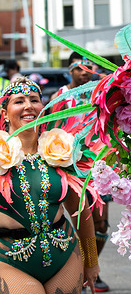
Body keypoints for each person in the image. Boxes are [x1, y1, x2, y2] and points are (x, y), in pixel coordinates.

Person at [0, 77, 99, 293]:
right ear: (5, 113)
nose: (28, 106)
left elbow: (79, 211)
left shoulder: (61, 149)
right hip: (9, 261)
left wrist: (91, 260)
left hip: (65, 256)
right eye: (19, 101)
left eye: (34, 100)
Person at [52, 52, 110, 292]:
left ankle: (92, 268)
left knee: (102, 225)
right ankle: (79, 272)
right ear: (70, 70)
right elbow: (51, 131)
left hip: (99, 166)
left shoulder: (99, 94)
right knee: (79, 222)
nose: (85, 72)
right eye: (80, 68)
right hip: (71, 167)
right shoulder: (60, 97)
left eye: (90, 68)